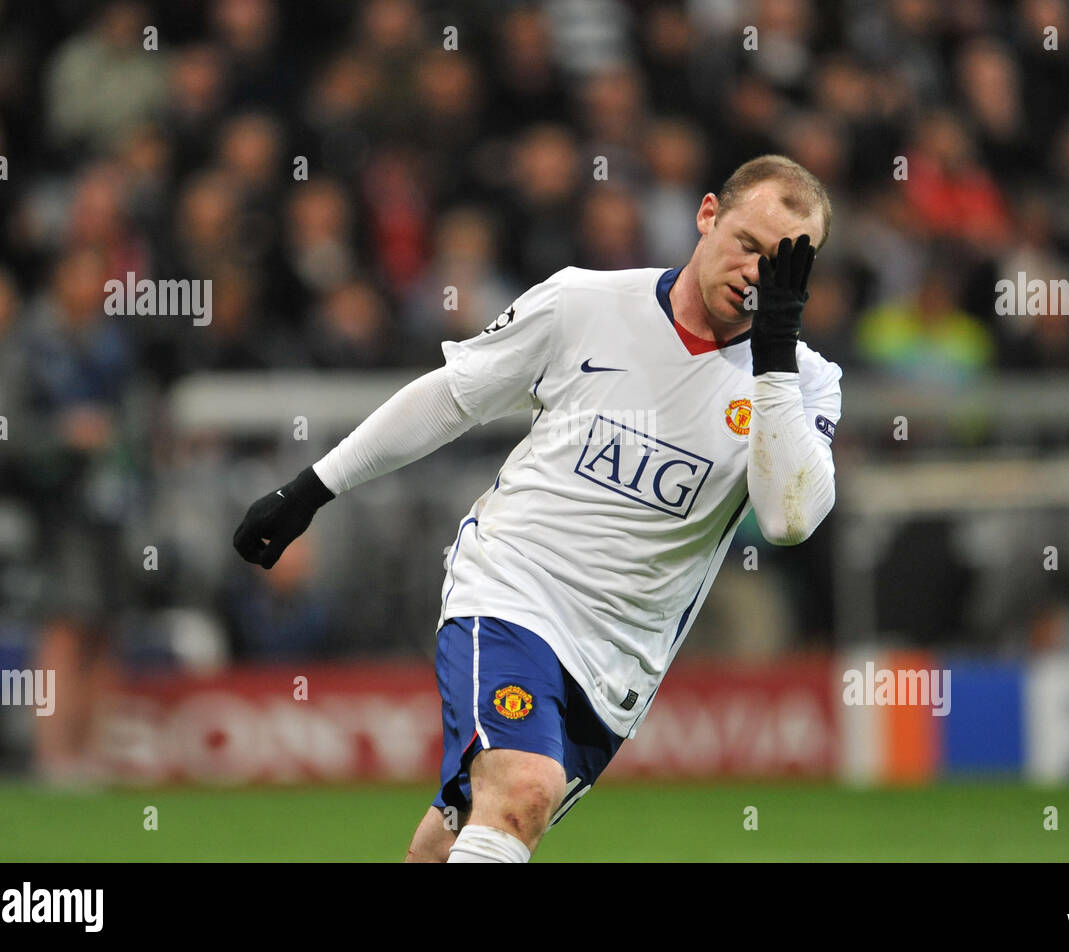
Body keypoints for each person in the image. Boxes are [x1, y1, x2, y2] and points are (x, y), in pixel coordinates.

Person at [232, 154, 844, 862]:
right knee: (522, 790)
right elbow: (452, 397)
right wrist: (313, 488)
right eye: (746, 245)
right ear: (707, 215)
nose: (755, 274)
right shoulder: (585, 302)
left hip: (618, 665)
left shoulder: (807, 385)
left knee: (452, 840)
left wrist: (773, 363)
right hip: (511, 589)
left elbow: (788, 519)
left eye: (783, 265)